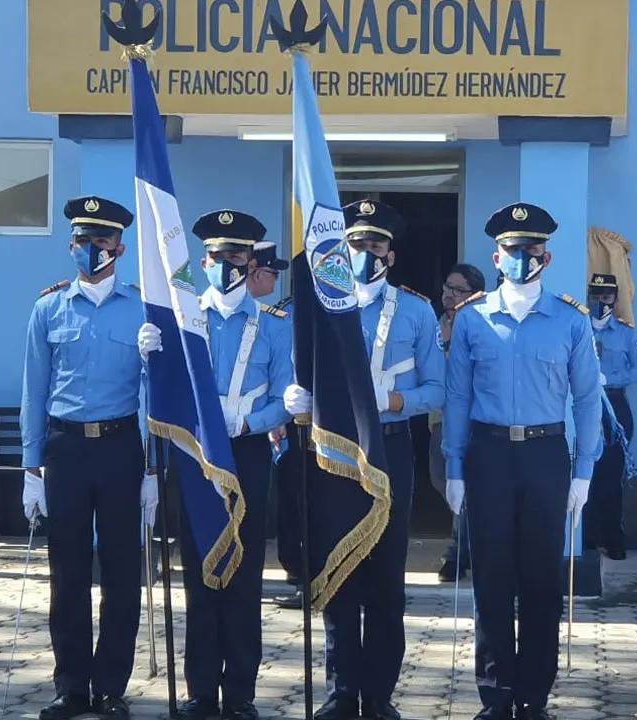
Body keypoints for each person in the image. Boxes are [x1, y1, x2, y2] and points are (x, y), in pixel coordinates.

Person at [283, 199, 445, 720]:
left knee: (385, 573)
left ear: (391, 255)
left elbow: (437, 387)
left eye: (375, 245)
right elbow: (299, 367)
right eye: (356, 244)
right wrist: (296, 398)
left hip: (391, 447)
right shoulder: (320, 305)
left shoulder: (416, 311)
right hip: (333, 450)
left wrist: (394, 401)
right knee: (338, 570)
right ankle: (340, 689)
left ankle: (378, 692)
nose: (364, 253)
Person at [442, 202, 602, 720]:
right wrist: (454, 467)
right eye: (512, 249)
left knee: (539, 580)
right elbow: (458, 398)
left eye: (531, 249)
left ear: (546, 256)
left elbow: (587, 400)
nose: (521, 257)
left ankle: (534, 696)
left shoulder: (570, 320)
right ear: (496, 255)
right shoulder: (472, 319)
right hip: (488, 453)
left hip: (545, 453)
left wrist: (583, 471)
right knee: (491, 577)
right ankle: (496, 694)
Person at [137, 210, 293, 720]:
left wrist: (252, 423)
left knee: (245, 576)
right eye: (218, 256)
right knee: (200, 572)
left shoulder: (273, 326)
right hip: (196, 454)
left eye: (237, 256)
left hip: (246, 451)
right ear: (202, 261)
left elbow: (285, 397)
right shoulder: (181, 320)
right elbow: (162, 394)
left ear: (251, 264)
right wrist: (150, 361)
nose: (227, 264)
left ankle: (241, 694)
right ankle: (201, 690)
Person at [21, 195, 157, 720]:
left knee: (122, 574)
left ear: (119, 248)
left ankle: (111, 688)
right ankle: (71, 685)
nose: (89, 249)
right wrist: (31, 468)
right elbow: (33, 391)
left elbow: (154, 395)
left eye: (100, 241)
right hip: (67, 449)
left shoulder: (143, 309)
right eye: (81, 240)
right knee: (69, 574)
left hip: (122, 448)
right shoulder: (48, 307)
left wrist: (150, 468)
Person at [246, 240, 307, 610]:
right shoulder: (280, 314)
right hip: (278, 423)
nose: (276, 278)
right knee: (291, 500)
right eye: (272, 271)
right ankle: (297, 571)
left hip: (316, 420)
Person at [583, 273, 637, 560]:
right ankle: (586, 537)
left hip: (615, 406)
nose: (600, 302)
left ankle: (613, 538)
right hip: (584, 406)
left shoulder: (626, 333)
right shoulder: (579, 327)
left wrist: (608, 379)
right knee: (585, 472)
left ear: (616, 300)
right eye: (595, 296)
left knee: (610, 475)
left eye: (605, 297)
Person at [430, 263, 486, 582]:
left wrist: (452, 344)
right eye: (447, 289)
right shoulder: (439, 322)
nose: (448, 296)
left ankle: (459, 554)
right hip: (442, 418)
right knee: (443, 479)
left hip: (476, 419)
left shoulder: (483, 323)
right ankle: (464, 546)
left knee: (473, 485)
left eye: (457, 290)